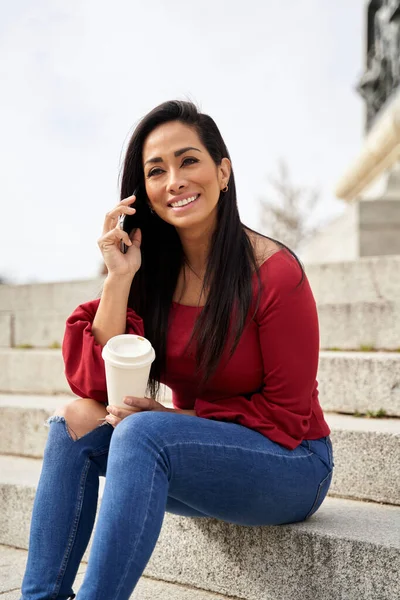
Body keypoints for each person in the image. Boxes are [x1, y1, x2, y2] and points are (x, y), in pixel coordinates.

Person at [20, 100, 334, 600]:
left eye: (189, 161)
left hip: (292, 463)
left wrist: (178, 416)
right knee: (74, 421)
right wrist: (119, 279)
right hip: (191, 453)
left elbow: (288, 417)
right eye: (157, 170)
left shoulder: (274, 273)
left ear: (222, 171)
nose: (175, 180)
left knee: (144, 433)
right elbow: (94, 386)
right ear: (143, 190)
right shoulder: (152, 272)